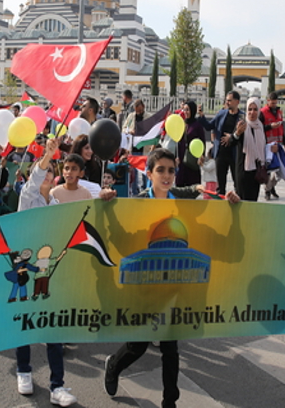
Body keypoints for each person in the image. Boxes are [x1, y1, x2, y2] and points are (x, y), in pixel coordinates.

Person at [104, 148, 238, 408]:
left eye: (171, 170)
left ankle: (170, 401)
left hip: (175, 285)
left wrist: (231, 202)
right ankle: (114, 366)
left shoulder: (181, 198)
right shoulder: (138, 203)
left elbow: (204, 197)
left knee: (170, 347)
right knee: (138, 345)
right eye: (161, 170)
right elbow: (122, 241)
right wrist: (108, 203)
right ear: (149, 173)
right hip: (146, 284)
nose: (167, 176)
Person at [14, 138, 77, 406]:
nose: (48, 175)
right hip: (24, 272)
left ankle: (57, 386)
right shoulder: (26, 199)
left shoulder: (55, 206)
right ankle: (24, 371)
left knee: (53, 326)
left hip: (48, 273)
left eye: (51, 172)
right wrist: (47, 157)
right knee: (25, 323)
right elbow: (35, 177)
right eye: (44, 172)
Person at [201, 91, 244, 195]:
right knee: (220, 186)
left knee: (238, 184)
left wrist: (232, 136)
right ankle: (220, 205)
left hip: (235, 155)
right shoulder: (221, 114)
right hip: (221, 154)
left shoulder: (242, 117)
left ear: (237, 102)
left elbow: (244, 135)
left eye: (229, 100)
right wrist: (201, 116)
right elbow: (209, 126)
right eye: (226, 100)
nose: (227, 102)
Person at [231, 97, 267, 202]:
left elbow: (262, 146)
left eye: (255, 109)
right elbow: (232, 142)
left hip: (256, 171)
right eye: (250, 109)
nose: (252, 112)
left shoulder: (260, 127)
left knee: (253, 201)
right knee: (241, 201)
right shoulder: (242, 125)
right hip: (243, 170)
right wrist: (237, 133)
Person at [259, 92, 285, 200]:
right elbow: (260, 128)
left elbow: (281, 128)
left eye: (275, 103)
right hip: (267, 145)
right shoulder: (263, 112)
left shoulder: (279, 112)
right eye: (272, 103)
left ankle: (271, 187)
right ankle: (267, 190)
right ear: (268, 101)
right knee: (269, 169)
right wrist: (270, 126)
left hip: (277, 144)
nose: (274, 105)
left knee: (278, 169)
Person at [175, 100, 206, 187]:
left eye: (187, 110)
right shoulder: (182, 123)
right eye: (184, 110)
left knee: (192, 184)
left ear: (192, 110)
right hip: (182, 157)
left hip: (193, 158)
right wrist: (176, 156)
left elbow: (202, 141)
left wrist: (202, 155)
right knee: (180, 184)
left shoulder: (197, 125)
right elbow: (178, 140)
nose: (185, 112)